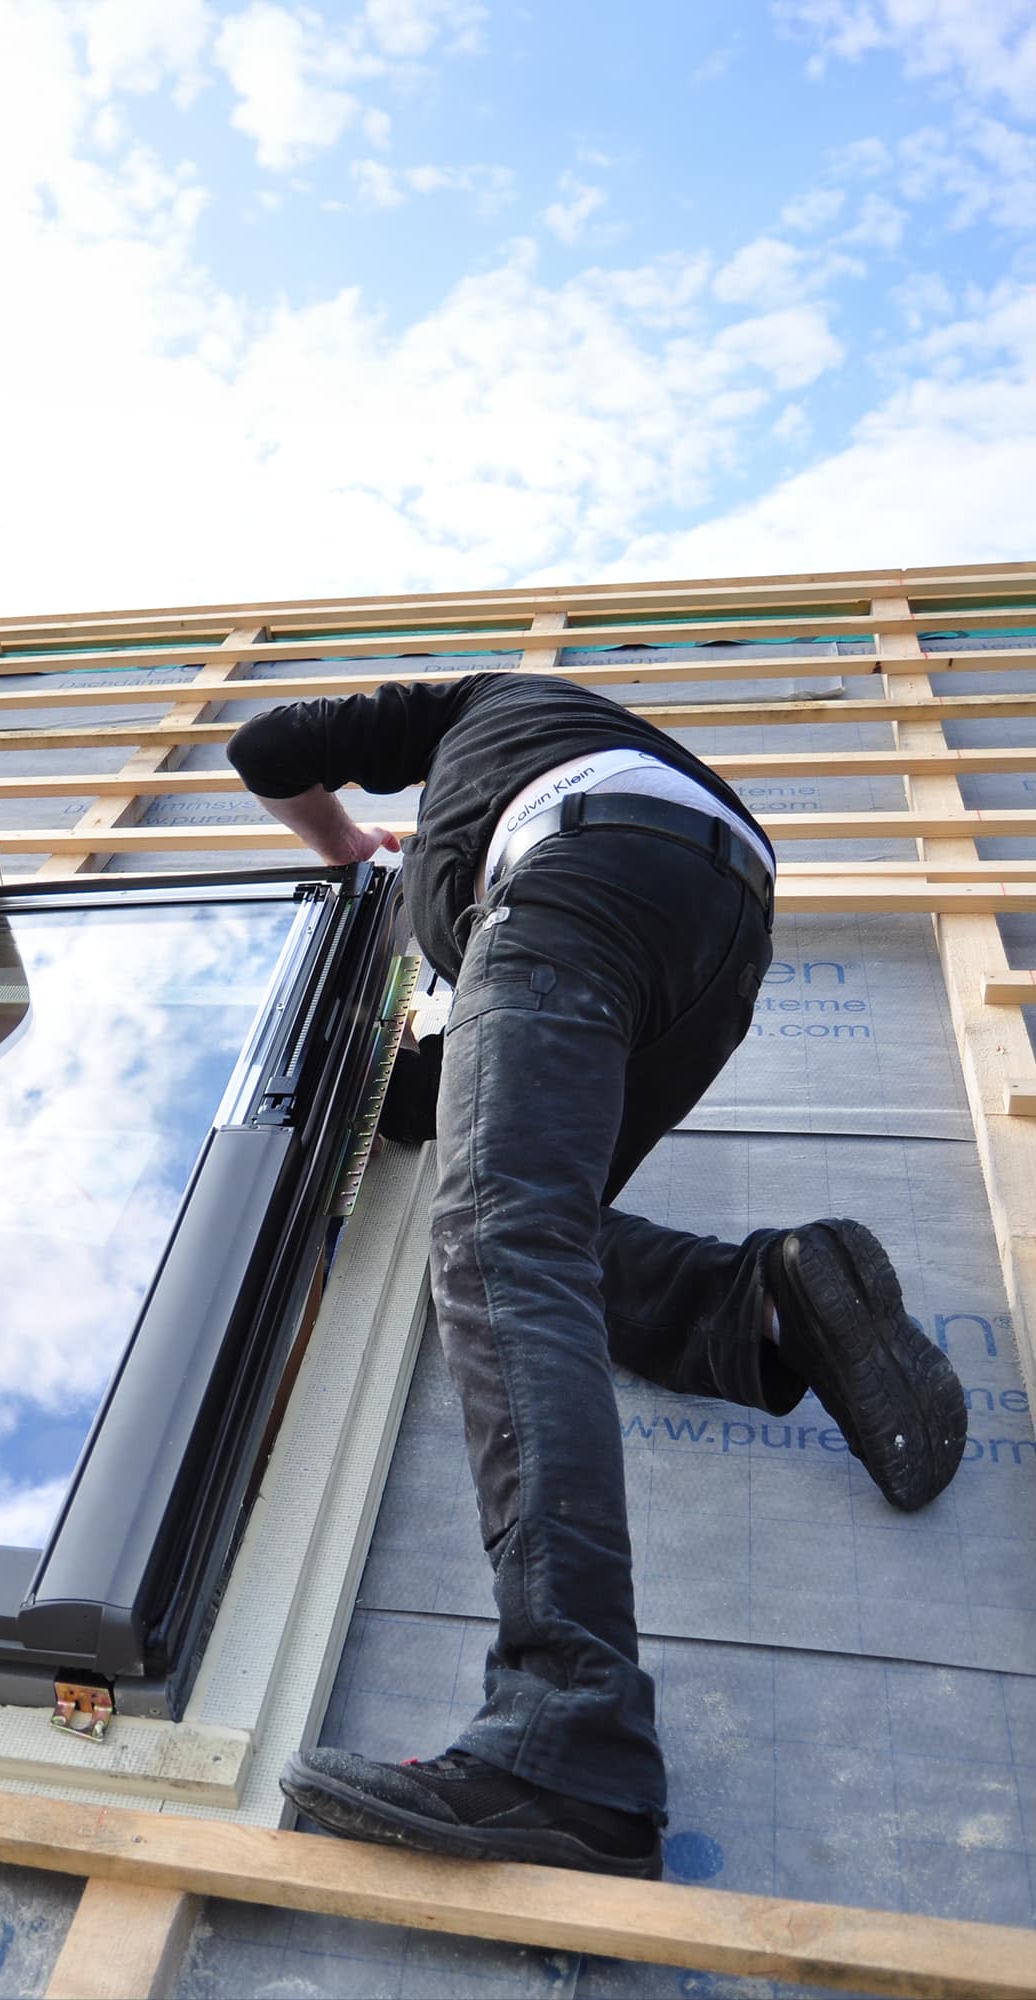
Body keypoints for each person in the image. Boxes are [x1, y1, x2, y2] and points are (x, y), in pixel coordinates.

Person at [229, 672, 967, 1880]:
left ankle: (566, 1735)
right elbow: (452, 1112)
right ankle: (773, 1303)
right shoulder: (562, 727)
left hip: (574, 880)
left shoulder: (466, 706)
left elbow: (264, 744)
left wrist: (351, 843)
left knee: (496, 1248)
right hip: (719, 917)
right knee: (542, 1239)